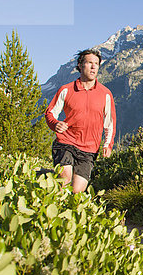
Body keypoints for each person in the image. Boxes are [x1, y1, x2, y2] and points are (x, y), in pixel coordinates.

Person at [45, 49, 116, 193]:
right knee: (65, 178)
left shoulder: (105, 94)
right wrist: (55, 124)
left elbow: (109, 122)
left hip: (89, 149)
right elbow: (50, 113)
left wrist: (108, 144)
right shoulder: (66, 90)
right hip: (66, 142)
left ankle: (45, 177)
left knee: (77, 191)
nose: (93, 67)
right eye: (89, 63)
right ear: (80, 65)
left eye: (96, 64)